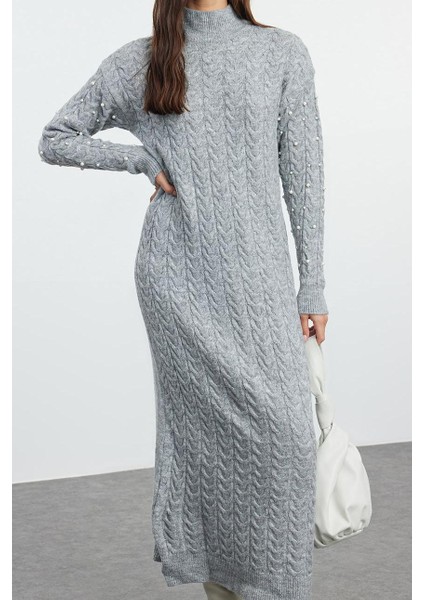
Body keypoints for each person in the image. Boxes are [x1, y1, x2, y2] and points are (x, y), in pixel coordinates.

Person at [38, 1, 329, 598]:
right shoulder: (143, 62)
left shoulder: (281, 53)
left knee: (288, 439)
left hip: (261, 282)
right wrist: (138, 160)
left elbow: (304, 174)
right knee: (205, 451)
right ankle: (221, 586)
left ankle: (273, 586)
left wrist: (314, 284)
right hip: (178, 283)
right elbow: (55, 137)